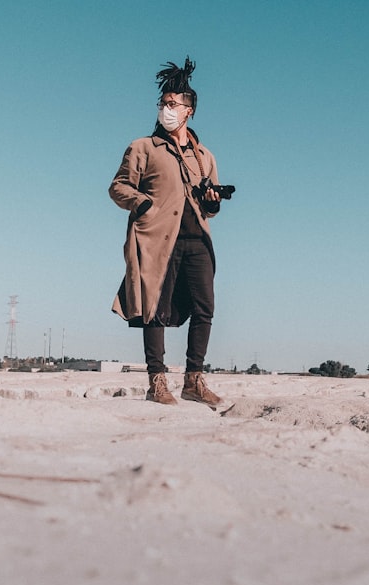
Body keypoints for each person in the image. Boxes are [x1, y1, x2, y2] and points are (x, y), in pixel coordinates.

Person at [109, 57, 227, 406]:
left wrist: (213, 201)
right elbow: (118, 187)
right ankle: (156, 383)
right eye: (163, 103)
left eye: (173, 104)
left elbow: (211, 206)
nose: (166, 109)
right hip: (156, 239)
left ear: (189, 110)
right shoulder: (142, 147)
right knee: (154, 309)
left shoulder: (204, 155)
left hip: (197, 241)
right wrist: (143, 204)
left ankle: (194, 381)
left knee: (205, 308)